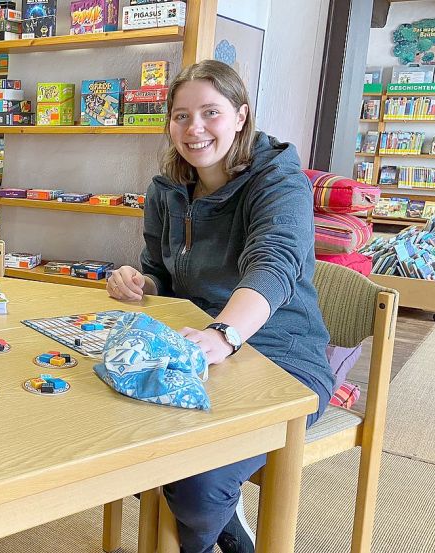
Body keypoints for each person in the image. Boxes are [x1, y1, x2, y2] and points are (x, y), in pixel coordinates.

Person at [106, 60, 333, 553]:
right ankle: (221, 525)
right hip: (196, 349)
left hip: (283, 358)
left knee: (198, 481)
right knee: (115, 425)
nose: (195, 128)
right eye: (181, 116)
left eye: (211, 112)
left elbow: (274, 266)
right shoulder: (166, 190)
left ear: (241, 116)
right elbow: (162, 277)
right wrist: (138, 282)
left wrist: (225, 334)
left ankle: (223, 536)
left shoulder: (277, 179)